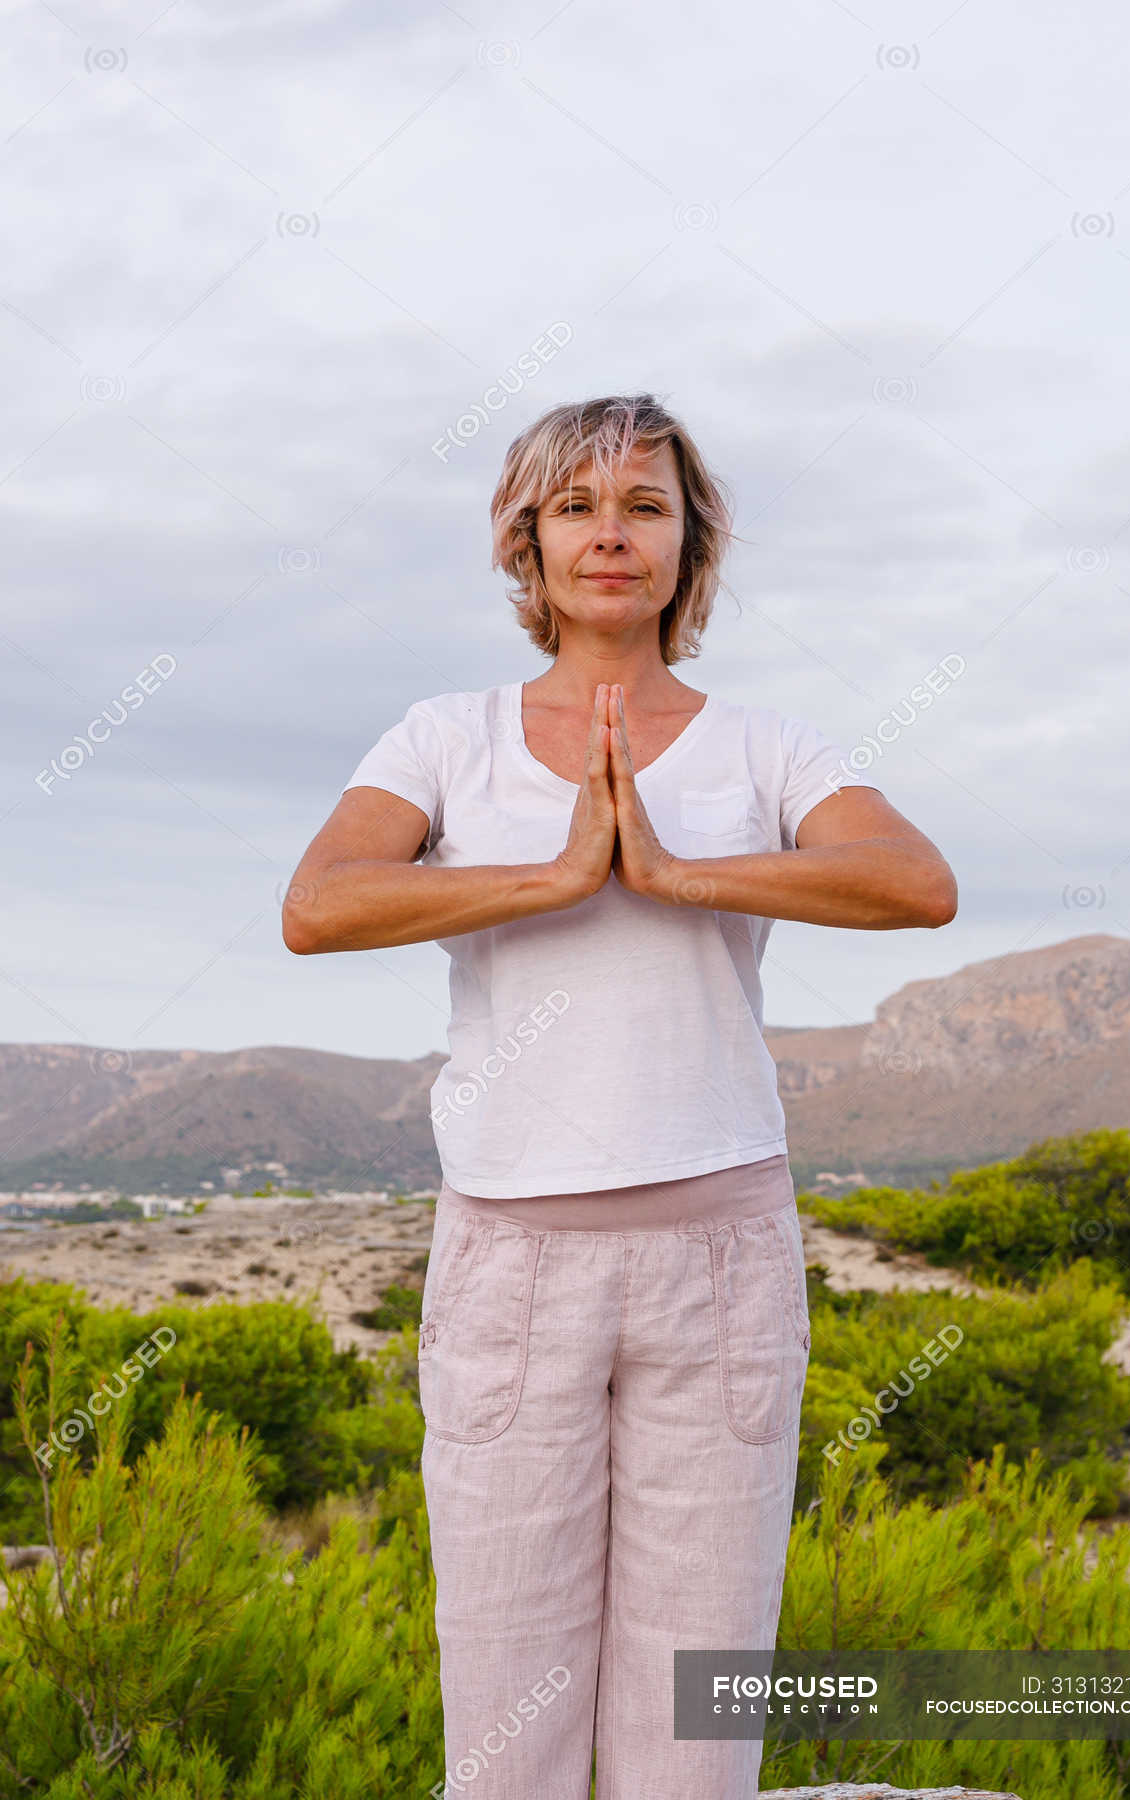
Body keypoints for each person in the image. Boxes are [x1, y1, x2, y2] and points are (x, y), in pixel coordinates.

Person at [282, 392, 956, 1799]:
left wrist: (675, 872)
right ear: (525, 542)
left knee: (695, 1723)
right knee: (507, 1717)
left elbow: (916, 883)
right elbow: (319, 905)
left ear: (687, 543)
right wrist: (551, 874)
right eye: (577, 506)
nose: (611, 533)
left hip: (721, 1263)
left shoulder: (767, 747)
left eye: (644, 505)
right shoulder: (444, 737)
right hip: (512, 1263)